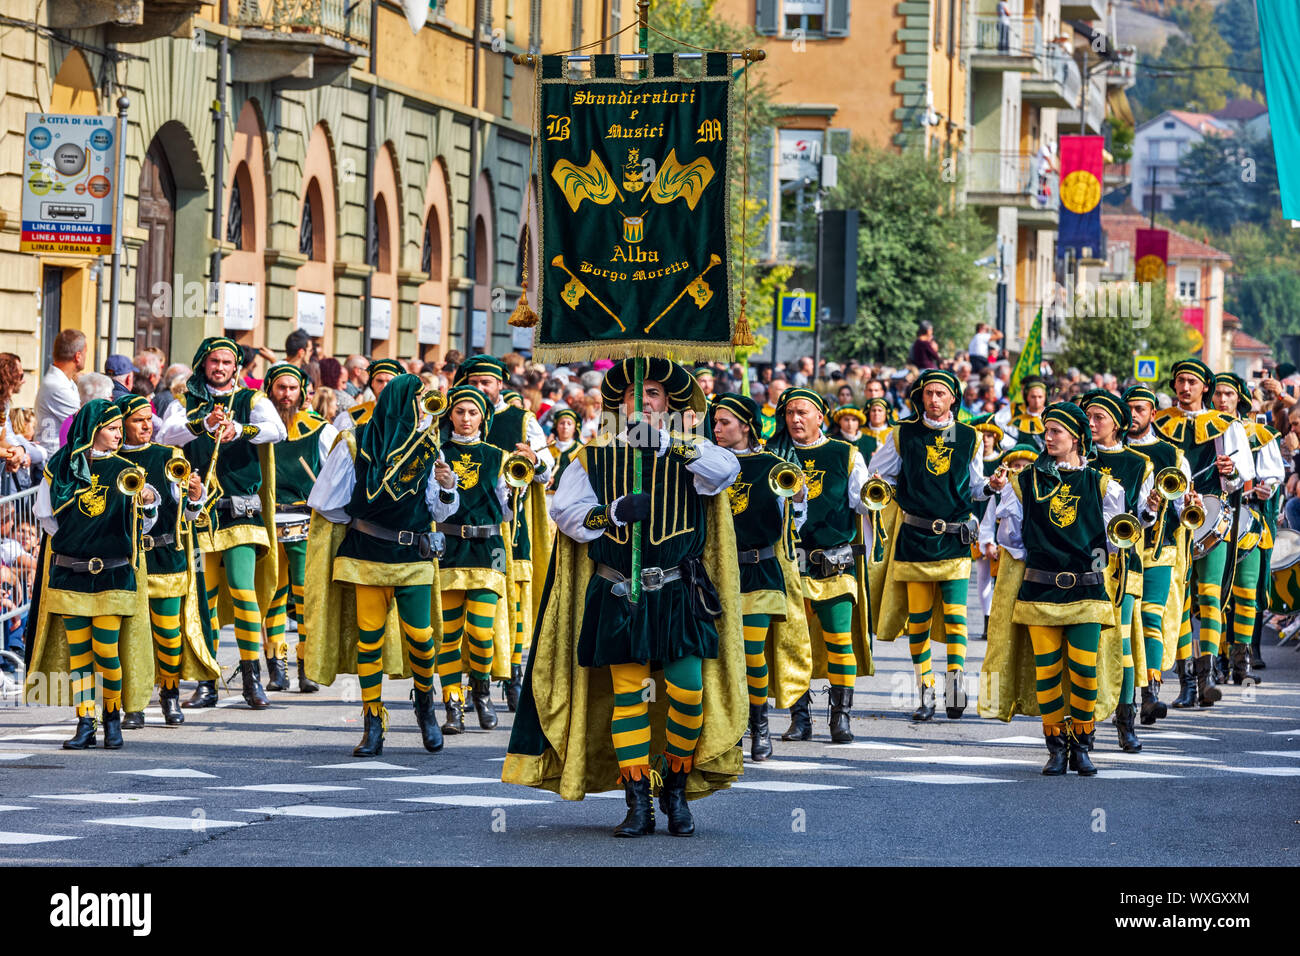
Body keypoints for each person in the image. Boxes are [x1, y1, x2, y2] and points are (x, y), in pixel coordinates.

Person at [504, 357, 743, 838]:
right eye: (635, 395)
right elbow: (565, 513)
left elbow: (726, 471)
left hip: (678, 590)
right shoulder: (594, 455)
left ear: (668, 403)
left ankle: (674, 787)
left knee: (688, 690)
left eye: (653, 393)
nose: (643, 401)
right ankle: (638, 802)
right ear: (621, 404)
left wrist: (670, 444)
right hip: (619, 588)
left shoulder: (692, 449)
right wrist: (610, 513)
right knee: (628, 696)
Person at [305, 374, 459, 756]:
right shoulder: (355, 440)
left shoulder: (428, 447)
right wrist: (365, 520)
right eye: (419, 400)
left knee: (421, 638)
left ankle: (425, 705)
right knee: (368, 639)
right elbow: (326, 500)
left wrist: (446, 486)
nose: (424, 407)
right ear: (400, 402)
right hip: (367, 554)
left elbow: (439, 509)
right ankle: (373, 720)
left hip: (413, 555)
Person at [982, 403, 1132, 776]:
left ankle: (1082, 745)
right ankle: (1055, 747)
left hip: (1087, 592)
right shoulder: (1025, 483)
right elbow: (1012, 541)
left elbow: (1113, 544)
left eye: (1056, 432)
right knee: (1047, 672)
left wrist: (1089, 564)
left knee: (1084, 672)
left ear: (1077, 438)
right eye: (1046, 431)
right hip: (1040, 592)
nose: (1048, 438)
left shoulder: (1103, 485)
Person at [155, 336, 287, 709]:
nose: (221, 367)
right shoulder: (185, 403)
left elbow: (278, 430)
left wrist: (239, 430)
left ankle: (251, 678)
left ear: (236, 367)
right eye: (215, 361)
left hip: (241, 511)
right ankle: (207, 680)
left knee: (243, 591)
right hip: (198, 512)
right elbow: (167, 435)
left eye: (228, 362)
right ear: (203, 364)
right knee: (203, 598)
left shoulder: (251, 399)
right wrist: (202, 423)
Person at [25, 400, 160, 750]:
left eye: (119, 428)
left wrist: (146, 502)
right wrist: (77, 540)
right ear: (92, 430)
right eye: (113, 428)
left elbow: (142, 525)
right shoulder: (61, 466)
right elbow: (46, 516)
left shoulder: (127, 469)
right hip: (72, 572)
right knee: (80, 654)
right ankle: (86, 721)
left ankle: (112, 718)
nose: (119, 434)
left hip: (113, 574)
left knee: (106, 651)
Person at [870, 369, 994, 722]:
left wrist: (992, 487)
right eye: (929, 393)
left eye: (941, 393)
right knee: (919, 622)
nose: (934, 399)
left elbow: (973, 487)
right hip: (915, 538)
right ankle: (925, 691)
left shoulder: (968, 436)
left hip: (954, 541)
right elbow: (880, 477)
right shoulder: (903, 433)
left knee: (956, 620)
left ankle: (955, 686)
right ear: (920, 397)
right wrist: (881, 484)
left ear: (953, 397)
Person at [768, 387, 872, 743]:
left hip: (835, 563)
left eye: (803, 413)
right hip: (791, 563)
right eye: (790, 413)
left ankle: (840, 717)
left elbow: (861, 503)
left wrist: (874, 493)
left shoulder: (846, 453)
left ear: (819, 417)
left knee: (839, 639)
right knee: (795, 643)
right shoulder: (774, 456)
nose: (795, 419)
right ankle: (800, 718)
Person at [708, 393, 809, 761]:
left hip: (761, 570)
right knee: (721, 656)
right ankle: (730, 728)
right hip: (718, 573)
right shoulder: (708, 462)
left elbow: (796, 522)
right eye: (715, 422)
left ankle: (759, 726)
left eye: (725, 423)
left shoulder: (774, 464)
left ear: (746, 426)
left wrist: (798, 499)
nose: (717, 428)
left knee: (751, 654)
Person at [456, 355, 553, 711]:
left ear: (500, 385)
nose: (480, 389)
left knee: (512, 605)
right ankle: (471, 681)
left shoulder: (521, 419)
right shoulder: (454, 415)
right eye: (474, 382)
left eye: (487, 383)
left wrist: (536, 460)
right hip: (460, 530)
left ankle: (513, 675)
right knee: (465, 612)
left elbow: (547, 470)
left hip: (511, 530)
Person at [1155, 359, 1253, 708]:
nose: (1184, 387)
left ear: (1204, 388)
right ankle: (1186, 683)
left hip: (1213, 517)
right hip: (1174, 519)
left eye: (1192, 382)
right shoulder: (1161, 423)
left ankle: (1208, 674)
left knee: (1210, 596)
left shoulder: (1225, 425)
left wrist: (1231, 471)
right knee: (1179, 600)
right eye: (1180, 381)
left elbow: (1240, 481)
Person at [115, 394, 217, 728]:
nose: (146, 425)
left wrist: (196, 496)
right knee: (133, 636)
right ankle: (134, 703)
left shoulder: (169, 456)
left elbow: (187, 515)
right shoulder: (111, 460)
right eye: (137, 420)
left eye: (149, 419)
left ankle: (170, 694)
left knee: (168, 634)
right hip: (128, 558)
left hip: (166, 555)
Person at [432, 385, 512, 733]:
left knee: (481, 633)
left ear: (483, 417)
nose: (466, 419)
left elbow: (507, 513)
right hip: (450, 547)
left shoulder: (499, 455)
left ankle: (481, 690)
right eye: (460, 411)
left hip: (488, 548)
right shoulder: (436, 453)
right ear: (450, 414)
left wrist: (519, 487)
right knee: (448, 634)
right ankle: (453, 703)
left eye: (473, 412)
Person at [1080, 389, 1156, 753]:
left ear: (1116, 424)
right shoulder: (1076, 459)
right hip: (1080, 563)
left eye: (1099, 418)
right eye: (1088, 417)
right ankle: (1085, 722)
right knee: (1087, 647)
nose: (1092, 424)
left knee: (1122, 646)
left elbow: (1142, 518)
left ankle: (1126, 723)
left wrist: (1152, 507)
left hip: (1123, 566)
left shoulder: (1138, 463)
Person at [262, 364, 337, 693]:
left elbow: (337, 473)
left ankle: (306, 665)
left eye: (292, 388)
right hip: (267, 521)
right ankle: (276, 666)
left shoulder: (320, 430)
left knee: (306, 597)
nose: (286, 394)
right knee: (272, 595)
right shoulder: (260, 429)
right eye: (280, 387)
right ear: (270, 390)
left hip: (304, 522)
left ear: (303, 392)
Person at [1123, 384, 1191, 727]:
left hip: (1158, 548)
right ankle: (1122, 697)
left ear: (1153, 413)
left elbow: (1183, 508)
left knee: (1150, 617)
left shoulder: (1173, 455)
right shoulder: (1112, 450)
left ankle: (1150, 693)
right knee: (1122, 624)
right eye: (1129, 408)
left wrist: (1190, 506)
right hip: (1119, 554)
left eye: (1140, 409)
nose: (1134, 415)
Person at [1211, 373, 1281, 687]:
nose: (1222, 400)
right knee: (1214, 596)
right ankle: (1214, 662)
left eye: (1228, 394)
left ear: (1239, 398)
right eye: (1217, 394)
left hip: (1248, 522)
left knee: (1245, 594)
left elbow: (1272, 475)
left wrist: (1265, 488)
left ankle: (1242, 662)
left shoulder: (1258, 434)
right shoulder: (1201, 430)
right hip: (1210, 523)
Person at [35, 331, 86, 456]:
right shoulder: (57, 386)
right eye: (85, 353)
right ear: (78, 356)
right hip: (52, 463)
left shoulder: (63, 381)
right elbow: (85, 421)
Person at [333, 358, 403, 432]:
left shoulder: (409, 415)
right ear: (372, 383)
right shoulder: (350, 417)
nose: (384, 386)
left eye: (390, 382)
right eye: (380, 381)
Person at [1001, 375, 1048, 451]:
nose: (1037, 401)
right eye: (1033, 397)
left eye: (1040, 397)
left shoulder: (1051, 414)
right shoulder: (1015, 411)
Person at [545, 408, 583, 493]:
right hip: (547, 496)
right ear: (556, 426)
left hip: (571, 496)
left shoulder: (581, 450)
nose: (565, 427)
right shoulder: (547, 448)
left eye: (569, 424)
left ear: (575, 428)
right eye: (562, 423)